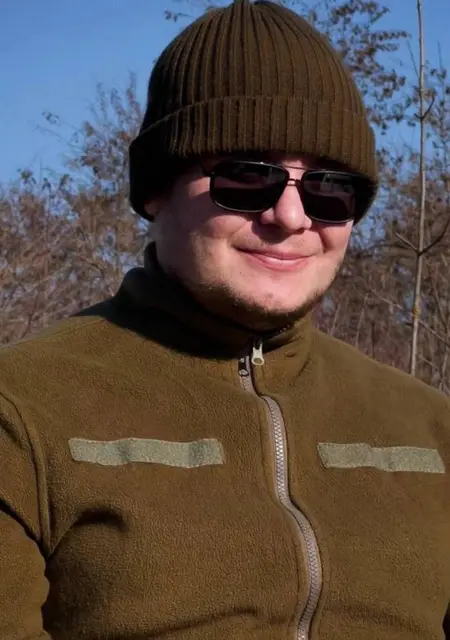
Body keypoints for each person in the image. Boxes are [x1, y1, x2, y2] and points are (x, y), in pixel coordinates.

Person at [0, 0, 449, 638]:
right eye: (246, 177)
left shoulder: (431, 429)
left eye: (329, 188)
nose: (291, 217)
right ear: (156, 190)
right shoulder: (22, 412)